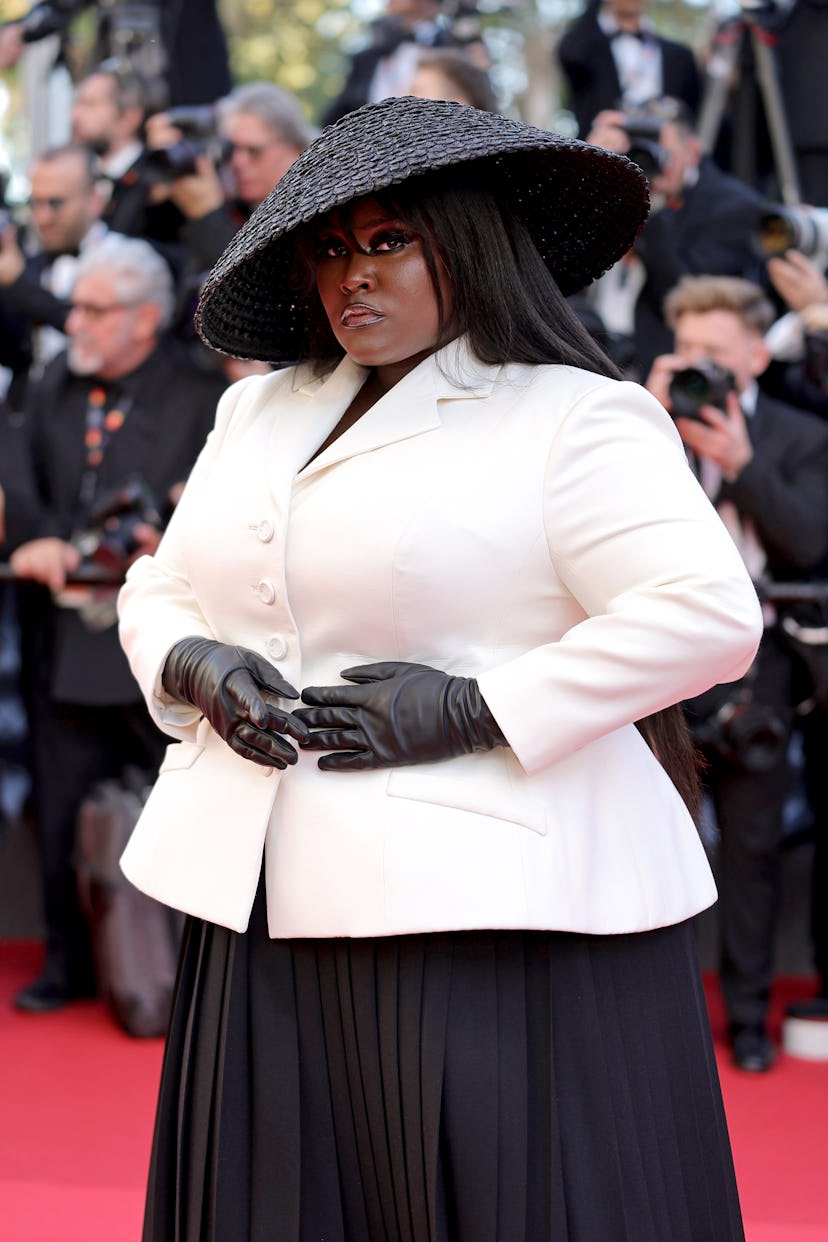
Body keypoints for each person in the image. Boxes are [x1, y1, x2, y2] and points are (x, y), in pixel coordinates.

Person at [117, 97, 762, 1240]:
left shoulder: (576, 416)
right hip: (249, 898)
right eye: (329, 249)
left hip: (486, 916)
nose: (351, 277)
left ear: (468, 244)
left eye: (387, 242)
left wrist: (477, 708)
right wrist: (193, 662)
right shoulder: (254, 408)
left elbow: (707, 615)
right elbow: (165, 580)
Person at [7, 234, 226, 1013]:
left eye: (96, 311)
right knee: (61, 803)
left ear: (143, 318)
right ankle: (68, 963)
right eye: (74, 309)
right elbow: (14, 462)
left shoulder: (201, 391)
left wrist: (174, 535)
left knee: (189, 806)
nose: (77, 325)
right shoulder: (54, 380)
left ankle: (191, 977)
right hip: (63, 628)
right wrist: (31, 535)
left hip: (166, 639)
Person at [645, 274, 828, 1071]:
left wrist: (743, 465)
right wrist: (650, 429)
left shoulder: (797, 433)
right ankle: (653, 1015)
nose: (699, 368)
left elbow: (809, 543)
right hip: (659, 665)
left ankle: (747, 1019)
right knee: (652, 837)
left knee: (752, 850)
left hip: (762, 669)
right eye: (686, 351)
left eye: (714, 354)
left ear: (756, 356)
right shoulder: (639, 434)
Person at [586, 97, 767, 377]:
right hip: (596, 348)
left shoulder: (735, 206)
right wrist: (589, 168)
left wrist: (651, 206)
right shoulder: (608, 194)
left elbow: (683, 292)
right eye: (636, 153)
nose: (642, 164)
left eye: (663, 153)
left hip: (670, 368)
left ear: (692, 152)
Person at [557, 0, 701, 139]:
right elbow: (569, 55)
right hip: (602, 152)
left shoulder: (680, 56)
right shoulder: (585, 50)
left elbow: (694, 113)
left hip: (663, 155)